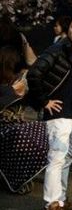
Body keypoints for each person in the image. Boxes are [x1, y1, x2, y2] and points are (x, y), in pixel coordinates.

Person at [26, 14, 72, 210]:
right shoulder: (57, 50)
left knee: (67, 159)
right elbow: (34, 73)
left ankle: (61, 200)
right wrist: (44, 101)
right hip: (58, 113)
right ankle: (52, 203)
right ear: (69, 29)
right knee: (56, 157)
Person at [0, 44, 49, 195]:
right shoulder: (8, 85)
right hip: (4, 127)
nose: (21, 72)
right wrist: (13, 92)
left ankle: (24, 174)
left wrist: (34, 94)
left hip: (14, 124)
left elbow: (35, 103)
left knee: (46, 130)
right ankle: (14, 178)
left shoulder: (18, 81)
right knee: (22, 135)